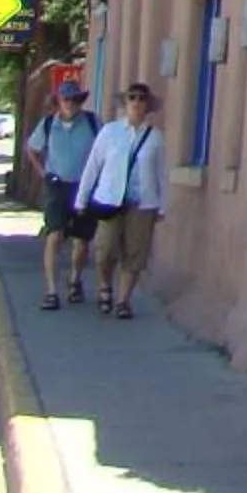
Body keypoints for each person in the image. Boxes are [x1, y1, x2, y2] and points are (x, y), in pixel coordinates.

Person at [75, 82, 168, 320]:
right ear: (125, 104)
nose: (136, 103)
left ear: (147, 106)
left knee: (135, 253)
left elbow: (161, 174)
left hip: (142, 202)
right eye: (132, 98)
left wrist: (162, 205)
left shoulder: (155, 138)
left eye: (141, 99)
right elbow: (93, 165)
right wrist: (82, 198)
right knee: (105, 250)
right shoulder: (110, 132)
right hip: (109, 200)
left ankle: (123, 300)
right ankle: (105, 285)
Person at [25, 80, 101, 310]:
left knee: (81, 240)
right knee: (54, 235)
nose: (70, 103)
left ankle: (75, 279)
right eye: (66, 99)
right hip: (57, 186)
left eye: (75, 99)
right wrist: (43, 173)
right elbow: (32, 149)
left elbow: (106, 150)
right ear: (58, 101)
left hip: (84, 186)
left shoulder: (92, 122)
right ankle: (51, 290)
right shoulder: (48, 124)